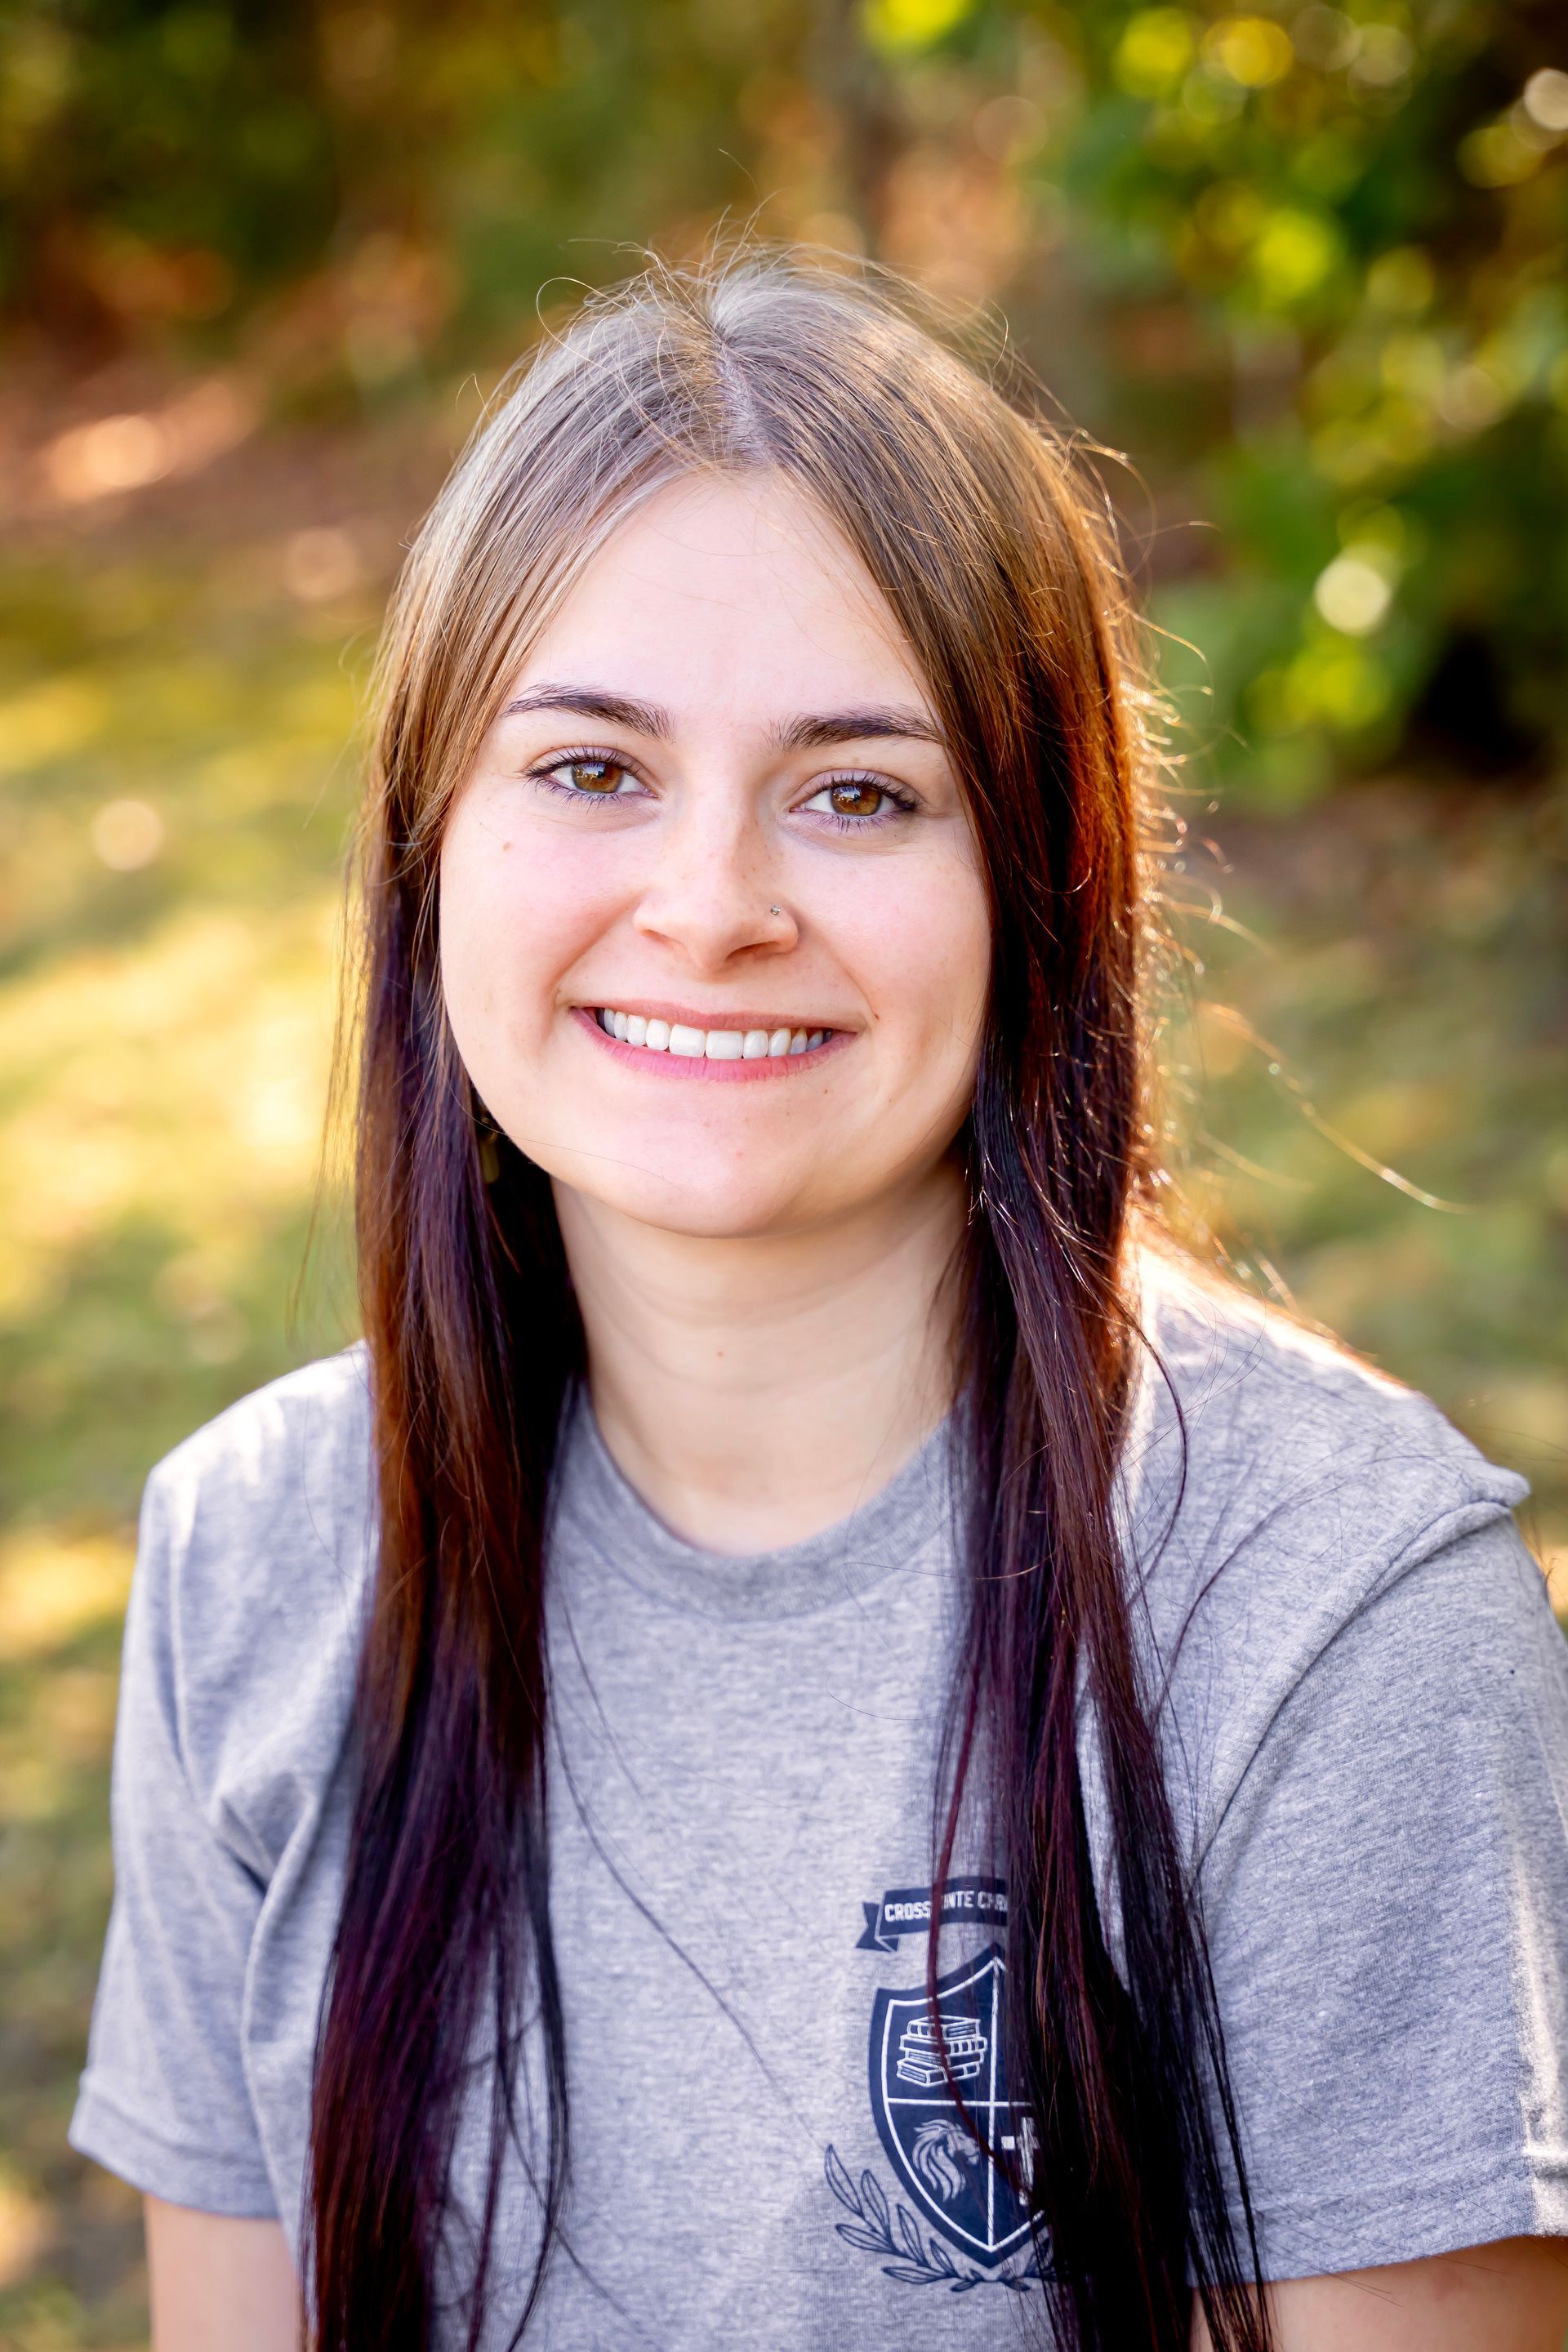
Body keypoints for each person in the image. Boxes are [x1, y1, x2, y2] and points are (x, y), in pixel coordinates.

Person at [69, 255, 1568, 2352]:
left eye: (860, 790)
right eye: (590, 768)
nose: (710, 905)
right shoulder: (256, 1557)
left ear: (1041, 880)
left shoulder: (1332, 1619)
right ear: (431, 849)